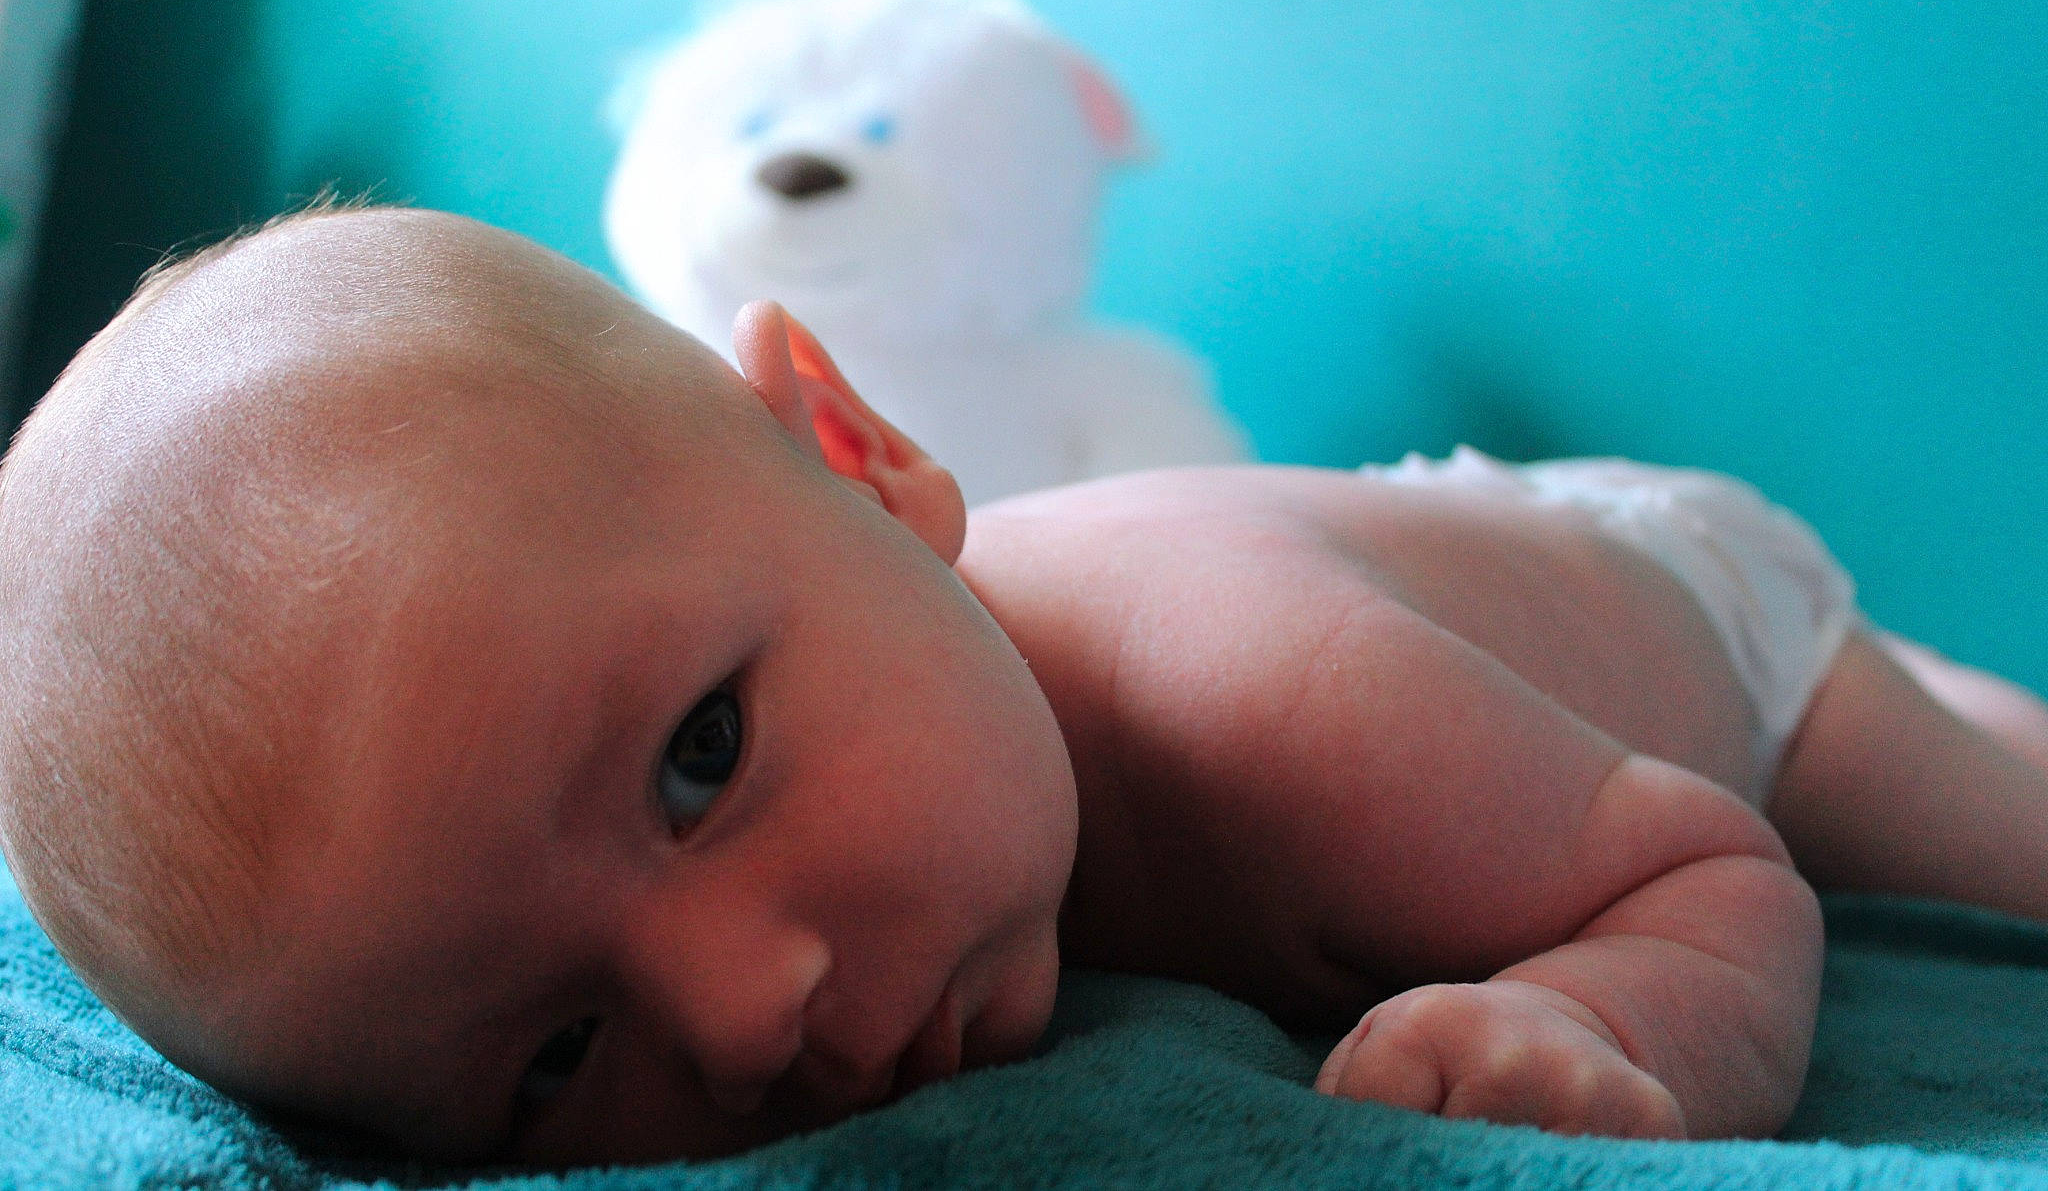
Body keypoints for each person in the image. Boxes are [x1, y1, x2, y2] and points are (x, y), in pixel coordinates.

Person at [1, 206, 2044, 1168]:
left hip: (1695, 608)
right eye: (549, 1054)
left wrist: (1593, 1011)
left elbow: (1715, 872)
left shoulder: (1288, 706)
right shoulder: (820, 767)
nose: (742, 1015)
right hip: (1435, 561)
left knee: (1980, 803)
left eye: (700, 755)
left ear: (854, 449)